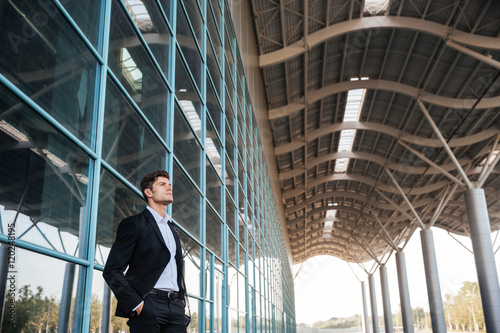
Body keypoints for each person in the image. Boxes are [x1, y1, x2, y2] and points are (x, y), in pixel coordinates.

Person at [103, 170, 187, 333]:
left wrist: (181, 299)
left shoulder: (172, 228)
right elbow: (112, 271)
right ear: (148, 192)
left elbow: (176, 268)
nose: (169, 188)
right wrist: (138, 305)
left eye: (169, 185)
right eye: (162, 185)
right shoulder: (134, 224)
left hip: (176, 308)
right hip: (149, 306)